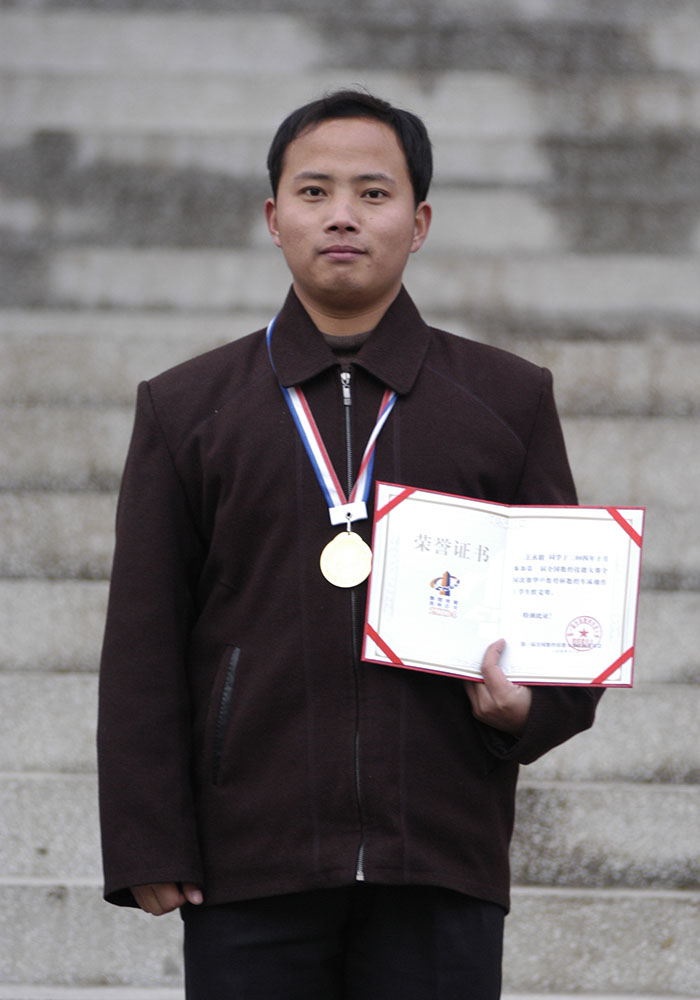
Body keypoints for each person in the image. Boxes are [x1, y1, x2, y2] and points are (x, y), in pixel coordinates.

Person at [98, 89, 602, 999]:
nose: (341, 215)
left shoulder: (508, 398)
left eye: (373, 193)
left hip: (439, 851)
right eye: (314, 191)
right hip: (249, 859)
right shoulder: (186, 408)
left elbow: (567, 611)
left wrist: (531, 709)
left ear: (419, 223)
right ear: (273, 218)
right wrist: (147, 840)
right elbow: (143, 638)